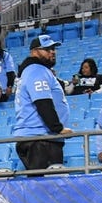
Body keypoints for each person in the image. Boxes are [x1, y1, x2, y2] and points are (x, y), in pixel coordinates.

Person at [13, 34, 73, 171]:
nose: (52, 51)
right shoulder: (37, 70)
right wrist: (57, 128)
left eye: (53, 48)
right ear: (34, 52)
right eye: (47, 49)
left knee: (40, 186)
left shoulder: (31, 71)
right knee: (45, 188)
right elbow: (42, 102)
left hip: (36, 138)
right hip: (41, 139)